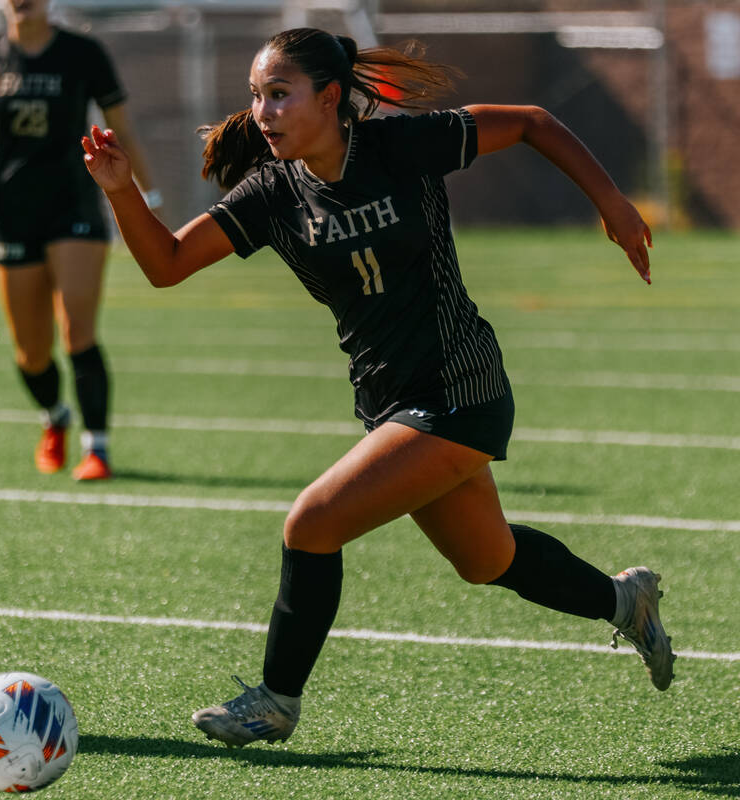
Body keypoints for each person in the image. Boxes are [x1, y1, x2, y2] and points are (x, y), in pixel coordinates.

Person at [81, 28, 673, 747]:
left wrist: (610, 201)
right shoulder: (272, 192)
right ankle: (624, 599)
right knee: (488, 561)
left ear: (329, 98)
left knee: (311, 524)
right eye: (255, 97)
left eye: (278, 94)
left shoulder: (399, 147)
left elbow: (531, 123)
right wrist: (120, 192)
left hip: (461, 387)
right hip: (388, 401)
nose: (261, 111)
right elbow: (167, 263)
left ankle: (276, 699)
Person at [0, 0, 159, 480]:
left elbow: (122, 127)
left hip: (75, 208)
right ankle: (55, 417)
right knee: (30, 354)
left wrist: (149, 198)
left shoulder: (84, 53)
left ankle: (98, 449)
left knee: (77, 332)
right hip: (13, 213)